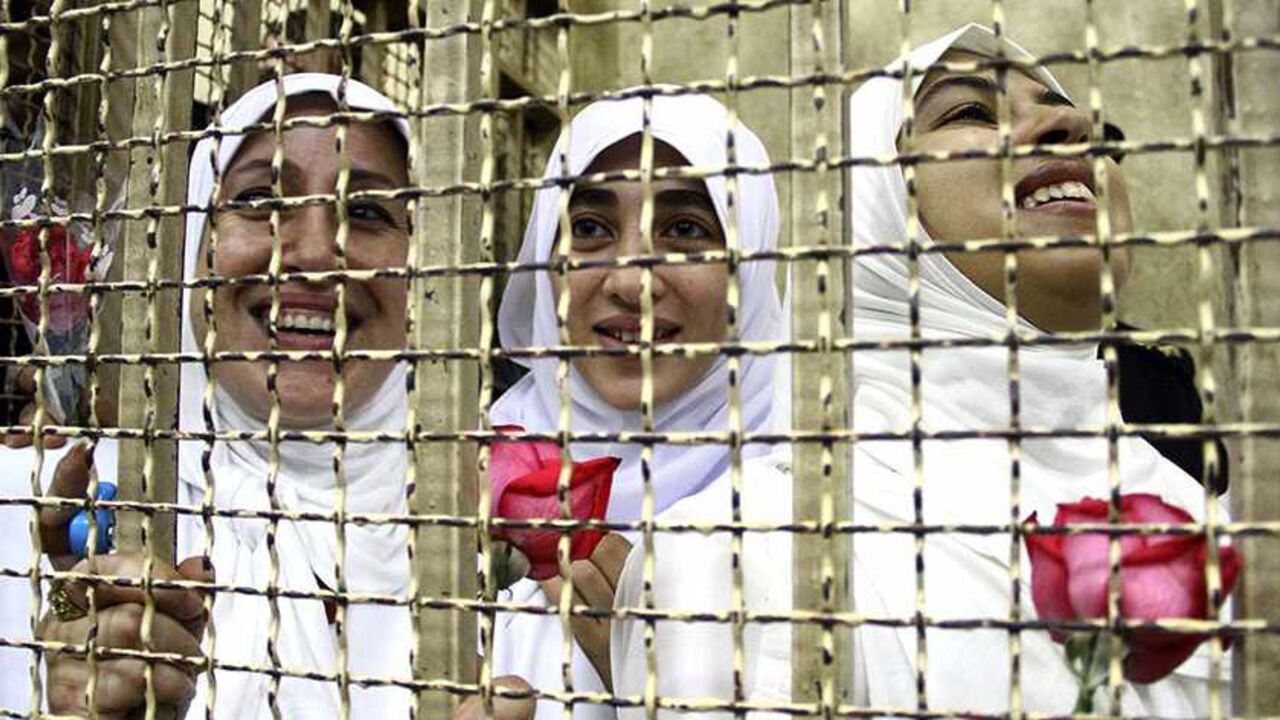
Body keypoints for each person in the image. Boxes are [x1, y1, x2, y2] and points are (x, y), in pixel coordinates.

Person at [609, 23, 1230, 718]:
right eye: (969, 111)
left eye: (1065, 108)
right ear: (876, 214)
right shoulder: (752, 550)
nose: (1072, 122)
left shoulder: (1191, 510)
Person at [36, 73, 417, 719]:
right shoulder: (59, 504)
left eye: (366, 211)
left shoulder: (516, 533)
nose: (319, 255)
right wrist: (67, 610)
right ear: (192, 248)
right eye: (262, 199)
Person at [481, 94, 787, 719]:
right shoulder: (455, 480)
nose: (631, 281)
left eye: (685, 230)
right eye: (590, 229)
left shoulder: (827, 499)